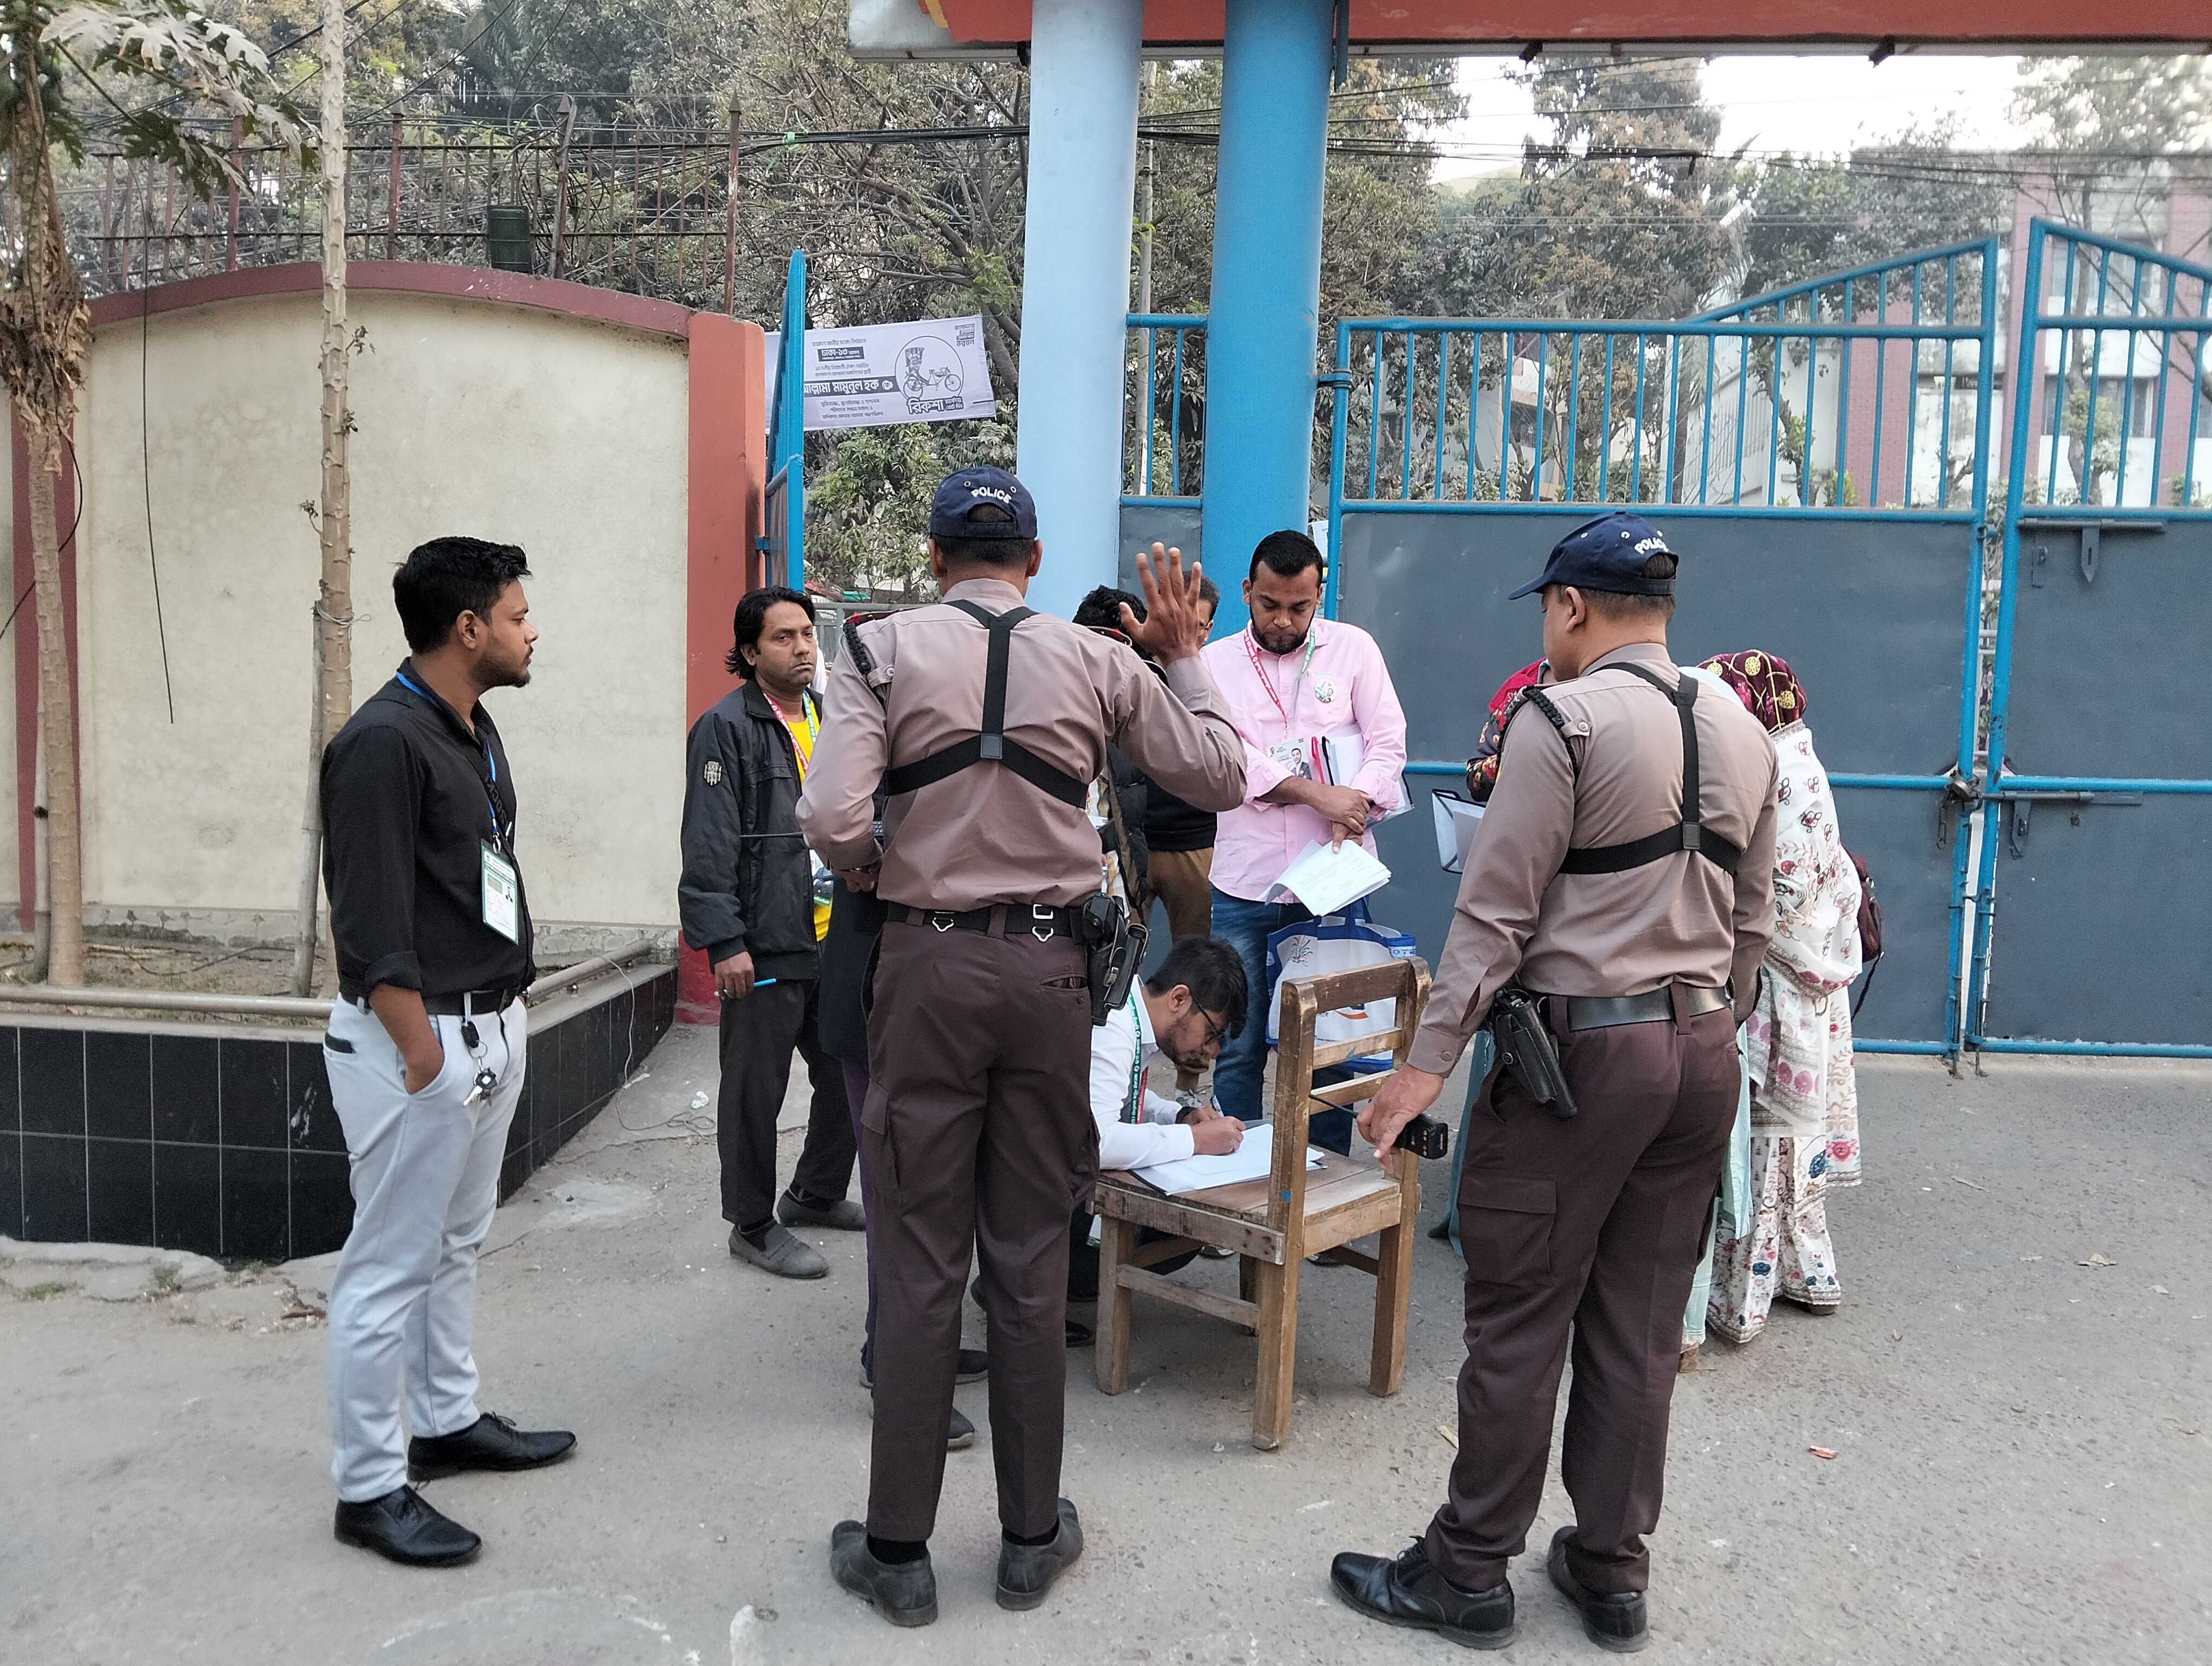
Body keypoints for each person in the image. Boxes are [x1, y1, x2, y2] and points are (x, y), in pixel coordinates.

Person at [796, 467, 1243, 1628]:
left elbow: (835, 820)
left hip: (927, 971)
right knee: (1033, 1256)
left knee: (919, 1253)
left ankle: (897, 1552)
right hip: (1053, 980)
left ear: (937, 556)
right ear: (1035, 563)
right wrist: (1184, 652)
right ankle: (1030, 1539)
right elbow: (1221, 773)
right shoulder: (1099, 660)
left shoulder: (880, 652)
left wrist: (894, 883)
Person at [1335, 511, 1779, 1653]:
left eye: (1549, 608)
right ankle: (1609, 1567)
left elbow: (1495, 914)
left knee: (1524, 1315)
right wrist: (1704, 1019)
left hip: (1583, 1059)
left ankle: (1469, 1570)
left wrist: (1420, 1067)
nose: (1548, 626)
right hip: (1702, 1053)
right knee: (1637, 1326)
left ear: (1573, 608)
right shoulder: (1743, 726)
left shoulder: (1561, 716)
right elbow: (1753, 926)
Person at [319, 536, 574, 1568]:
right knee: (385, 1272)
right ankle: (371, 1486)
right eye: (518, 615)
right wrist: (421, 1049)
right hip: (417, 1044)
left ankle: (446, 1419)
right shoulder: (381, 741)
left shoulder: (470, 727)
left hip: (489, 1024)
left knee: (456, 1245)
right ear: (468, 628)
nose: (532, 629)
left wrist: (496, 1029)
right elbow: (371, 914)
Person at [1201, 530, 1407, 1146]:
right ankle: (1234, 1178)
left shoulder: (1354, 650)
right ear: (1247, 592)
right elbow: (1228, 759)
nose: (1284, 621)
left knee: (1332, 1043)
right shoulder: (1215, 664)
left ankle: (1317, 1186)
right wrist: (1319, 795)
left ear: (1320, 594)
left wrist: (1359, 802)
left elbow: (1387, 741)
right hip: (1246, 884)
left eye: (1299, 606)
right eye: (1269, 605)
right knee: (1235, 1042)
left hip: (1335, 881)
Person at [679, 586, 860, 1281]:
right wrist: (724, 941)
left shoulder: (827, 712)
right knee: (755, 1089)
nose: (804, 646)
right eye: (783, 637)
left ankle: (814, 1193)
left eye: (808, 634)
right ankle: (752, 1225)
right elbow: (708, 842)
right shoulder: (725, 728)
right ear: (751, 652)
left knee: (848, 1072)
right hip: (767, 938)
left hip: (832, 935)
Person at [1700, 650, 1863, 1345]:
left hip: (1775, 983)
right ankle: (1806, 1271)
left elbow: (1776, 892)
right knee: (1795, 1145)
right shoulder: (1804, 760)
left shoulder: (1778, 773)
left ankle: (1742, 1298)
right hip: (1812, 977)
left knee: (1760, 1142)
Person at [821, 869, 988, 1447]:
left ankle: (907, 1349)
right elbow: (833, 823)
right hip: (881, 997)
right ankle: (899, 1377)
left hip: (928, 997)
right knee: (899, 1201)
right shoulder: (872, 781)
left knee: (932, 1198)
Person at [1065, 935, 1249, 1306]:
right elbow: (1098, 1141)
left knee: (1181, 1234)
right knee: (1182, 1232)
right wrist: (1196, 1141)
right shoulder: (1114, 1027)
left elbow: (1117, 1095)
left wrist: (1180, 1115)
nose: (1212, 1052)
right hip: (1034, 1195)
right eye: (1212, 1033)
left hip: (1048, 1178)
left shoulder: (1132, 1009)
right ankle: (1028, 1289)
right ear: (1179, 999)